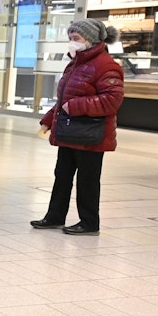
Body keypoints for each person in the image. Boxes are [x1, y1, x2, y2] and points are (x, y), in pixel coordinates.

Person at [31, 19, 123, 236]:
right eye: (70, 38)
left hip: (91, 135)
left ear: (90, 40)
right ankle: (54, 216)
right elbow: (64, 98)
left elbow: (112, 100)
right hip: (69, 131)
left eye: (76, 39)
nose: (72, 43)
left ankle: (89, 222)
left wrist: (75, 106)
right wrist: (48, 119)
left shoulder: (107, 66)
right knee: (61, 175)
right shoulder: (74, 64)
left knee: (87, 180)